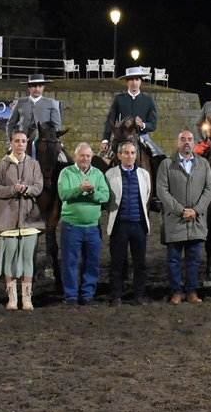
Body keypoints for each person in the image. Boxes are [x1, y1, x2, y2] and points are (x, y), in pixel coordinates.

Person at [156, 130, 211, 305]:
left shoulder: (203, 164)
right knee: (173, 259)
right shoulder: (167, 164)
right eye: (183, 139)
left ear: (194, 143)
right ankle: (176, 291)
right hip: (175, 220)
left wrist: (196, 210)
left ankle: (191, 291)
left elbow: (209, 188)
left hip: (195, 221)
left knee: (194, 259)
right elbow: (162, 191)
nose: (187, 142)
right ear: (177, 143)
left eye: (190, 139)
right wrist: (180, 210)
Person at [0, 131, 44, 311]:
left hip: (30, 220)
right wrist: (12, 190)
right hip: (7, 220)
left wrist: (27, 188)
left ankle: (27, 298)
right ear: (11, 143)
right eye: (17, 141)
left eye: (23, 141)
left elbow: (39, 187)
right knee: (10, 260)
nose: (20, 144)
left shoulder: (34, 164)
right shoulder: (2, 165)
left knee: (28, 259)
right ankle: (12, 297)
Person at [57, 142, 109, 305]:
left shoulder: (98, 174)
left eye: (88, 156)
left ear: (91, 158)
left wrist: (92, 192)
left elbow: (105, 196)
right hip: (72, 226)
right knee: (70, 262)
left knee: (92, 262)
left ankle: (87, 294)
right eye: (82, 155)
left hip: (93, 226)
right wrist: (79, 190)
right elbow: (63, 194)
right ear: (75, 157)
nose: (85, 159)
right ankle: (71, 296)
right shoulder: (66, 173)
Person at [105, 141, 152, 306]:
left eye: (132, 153)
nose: (130, 156)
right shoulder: (110, 174)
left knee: (140, 263)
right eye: (126, 153)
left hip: (138, 224)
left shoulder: (144, 175)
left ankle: (139, 295)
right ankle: (116, 296)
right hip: (120, 225)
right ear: (119, 155)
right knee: (117, 262)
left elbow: (146, 196)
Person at [101, 66, 163, 157]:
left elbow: (153, 124)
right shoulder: (119, 99)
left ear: (140, 81)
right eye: (131, 80)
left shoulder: (148, 100)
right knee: (102, 158)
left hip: (142, 137)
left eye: (137, 79)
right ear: (127, 81)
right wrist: (105, 140)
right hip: (122, 138)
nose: (134, 83)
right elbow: (109, 120)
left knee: (160, 156)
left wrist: (143, 125)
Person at [6, 74, 62, 141]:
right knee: (10, 151)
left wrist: (52, 139)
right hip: (23, 141)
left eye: (40, 86)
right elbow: (10, 124)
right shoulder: (20, 102)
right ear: (29, 87)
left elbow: (57, 126)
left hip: (45, 141)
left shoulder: (51, 103)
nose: (37, 89)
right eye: (34, 86)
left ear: (43, 87)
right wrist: (10, 140)